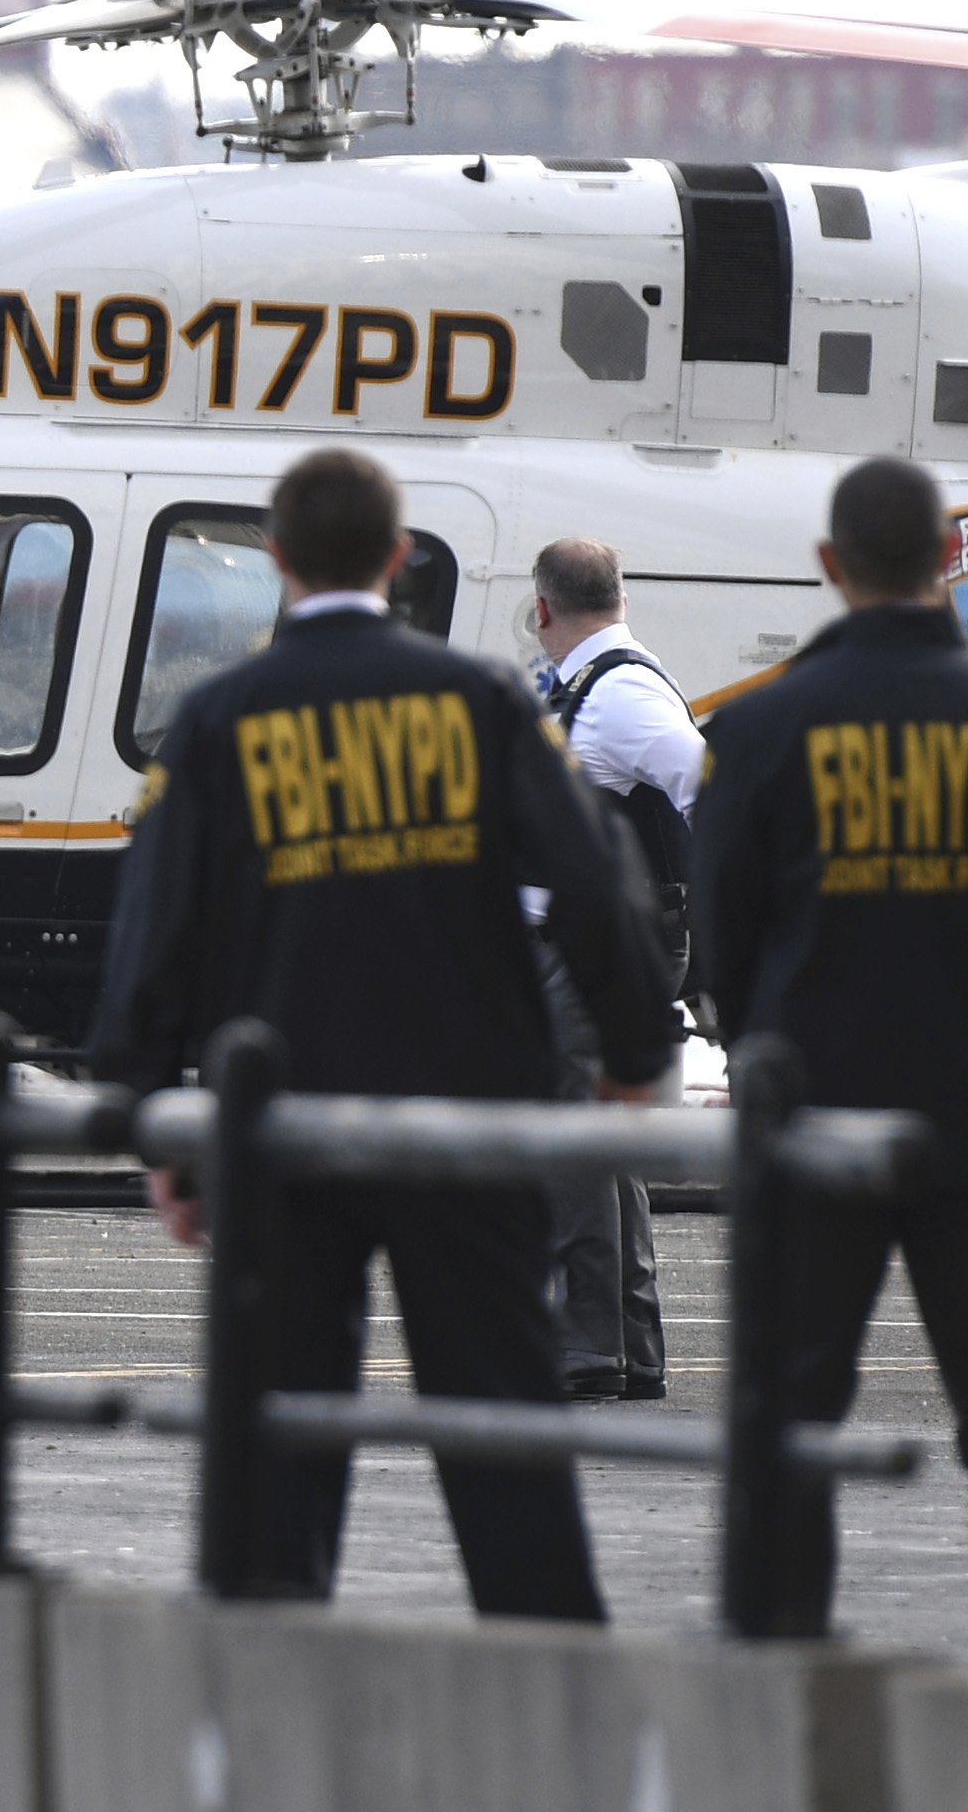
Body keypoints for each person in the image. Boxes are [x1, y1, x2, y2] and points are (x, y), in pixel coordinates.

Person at [90, 449, 677, 1623]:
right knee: (499, 1425)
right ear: (399, 558)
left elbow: (155, 934)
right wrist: (629, 1053)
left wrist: (158, 1124)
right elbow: (594, 878)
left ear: (275, 558)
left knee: (279, 1435)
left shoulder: (215, 720)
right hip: (461, 1118)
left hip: (285, 1124)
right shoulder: (483, 704)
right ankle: (550, 1668)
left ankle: (263, 1671)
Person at [688, 456, 968, 1656]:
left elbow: (722, 933)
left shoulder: (760, 725)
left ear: (830, 566)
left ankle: (776, 1639)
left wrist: (762, 1030)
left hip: (814, 1105)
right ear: (948, 563)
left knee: (791, 1399)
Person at [529, 536, 692, 1400]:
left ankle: (588, 1348)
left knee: (576, 1141)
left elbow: (707, 783)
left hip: (602, 945)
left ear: (542, 607)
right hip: (591, 938)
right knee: (604, 1139)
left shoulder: (620, 691)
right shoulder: (584, 687)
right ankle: (627, 1346)